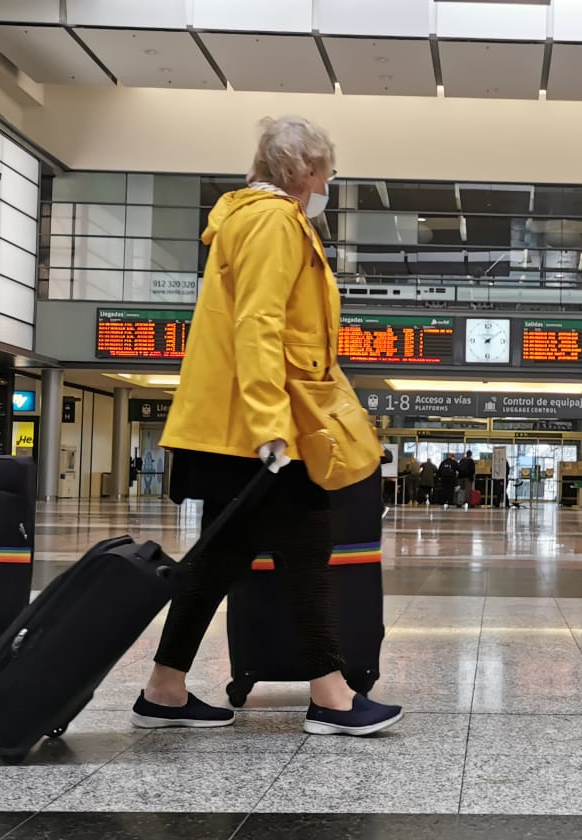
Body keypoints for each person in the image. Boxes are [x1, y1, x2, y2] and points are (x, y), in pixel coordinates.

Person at [130, 116, 402, 737]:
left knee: (220, 559)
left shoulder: (243, 217)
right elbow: (259, 324)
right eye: (326, 173)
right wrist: (269, 425)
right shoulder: (276, 221)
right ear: (304, 169)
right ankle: (332, 698)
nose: (326, 184)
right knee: (307, 549)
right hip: (259, 428)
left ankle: (164, 688)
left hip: (230, 426)